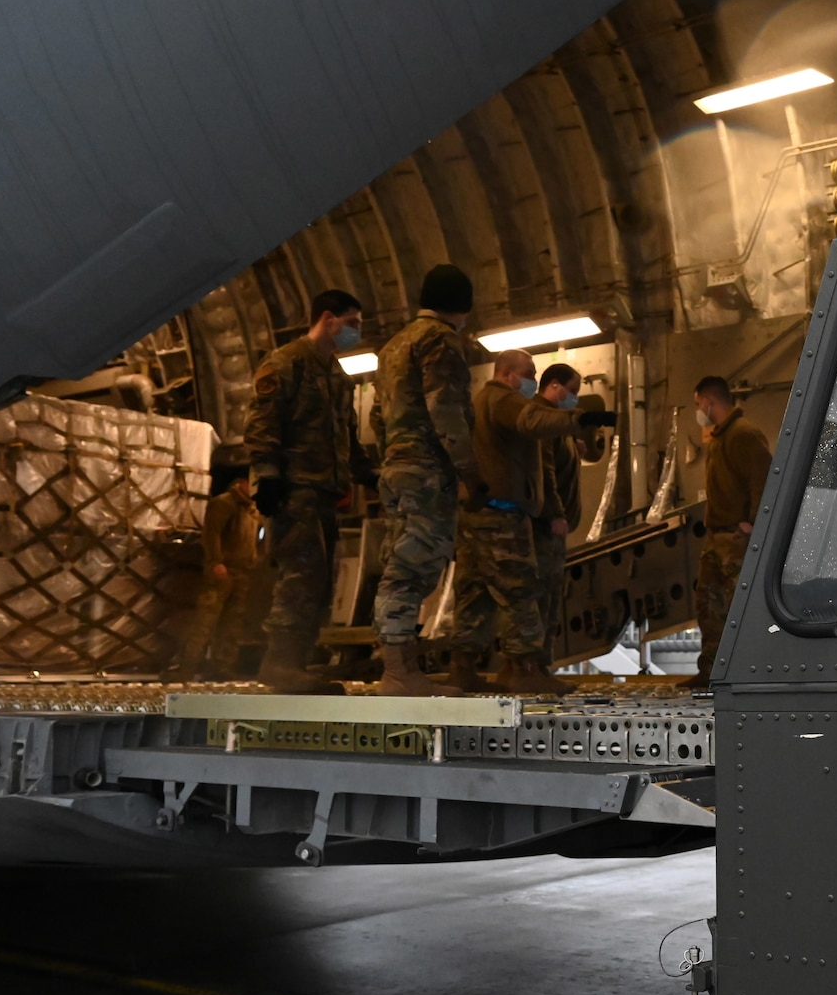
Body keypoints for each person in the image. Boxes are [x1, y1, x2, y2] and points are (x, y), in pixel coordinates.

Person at [441, 349, 596, 692]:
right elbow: (532, 422)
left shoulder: (480, 401)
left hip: (476, 513)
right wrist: (576, 420)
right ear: (508, 374)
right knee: (520, 590)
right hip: (501, 515)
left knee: (474, 592)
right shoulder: (502, 399)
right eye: (528, 373)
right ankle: (523, 669)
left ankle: (462, 666)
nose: (531, 379)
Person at [244, 289, 375, 692]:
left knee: (320, 578)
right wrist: (266, 477)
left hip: (325, 492)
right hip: (294, 488)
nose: (355, 332)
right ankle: (280, 662)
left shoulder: (337, 375)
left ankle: (297, 659)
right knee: (301, 574)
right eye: (351, 323)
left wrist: (368, 475)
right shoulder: (286, 363)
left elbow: (347, 437)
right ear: (327, 319)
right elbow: (262, 424)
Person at [371, 265, 484, 696]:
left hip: (397, 467)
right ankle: (400, 674)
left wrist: (391, 457)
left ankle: (399, 668)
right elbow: (446, 410)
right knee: (412, 568)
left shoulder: (391, 347)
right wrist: (469, 471)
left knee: (399, 562)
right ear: (462, 306)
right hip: (426, 470)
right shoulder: (440, 340)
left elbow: (377, 416)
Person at [693, 375, 772, 681]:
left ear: (709, 401)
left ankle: (746, 674)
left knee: (739, 608)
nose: (698, 410)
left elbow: (763, 480)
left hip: (736, 540)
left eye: (699, 403)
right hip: (716, 538)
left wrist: (754, 523)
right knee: (709, 608)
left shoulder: (743, 434)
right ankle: (710, 671)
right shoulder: (719, 437)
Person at [530, 362, 610, 663]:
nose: (575, 398)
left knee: (551, 597)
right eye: (572, 391)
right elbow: (545, 472)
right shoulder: (543, 421)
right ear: (554, 386)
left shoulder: (557, 424)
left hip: (555, 525)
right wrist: (554, 514)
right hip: (546, 526)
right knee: (542, 597)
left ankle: (542, 664)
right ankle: (534, 664)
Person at [168, 459, 261, 682]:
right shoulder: (224, 504)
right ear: (243, 482)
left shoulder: (253, 510)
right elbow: (211, 534)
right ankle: (187, 667)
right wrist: (215, 562)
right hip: (223, 570)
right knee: (205, 621)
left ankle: (222, 667)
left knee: (232, 624)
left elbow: (258, 537)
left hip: (242, 572)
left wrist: (256, 558)